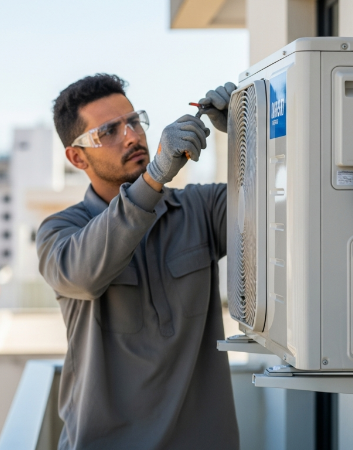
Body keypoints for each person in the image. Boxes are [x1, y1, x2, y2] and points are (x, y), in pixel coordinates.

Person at [37, 73, 238, 450]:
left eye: (133, 121)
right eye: (109, 131)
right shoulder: (60, 232)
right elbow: (83, 273)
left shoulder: (201, 209)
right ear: (77, 156)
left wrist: (249, 134)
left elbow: (282, 213)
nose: (131, 136)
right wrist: (155, 177)